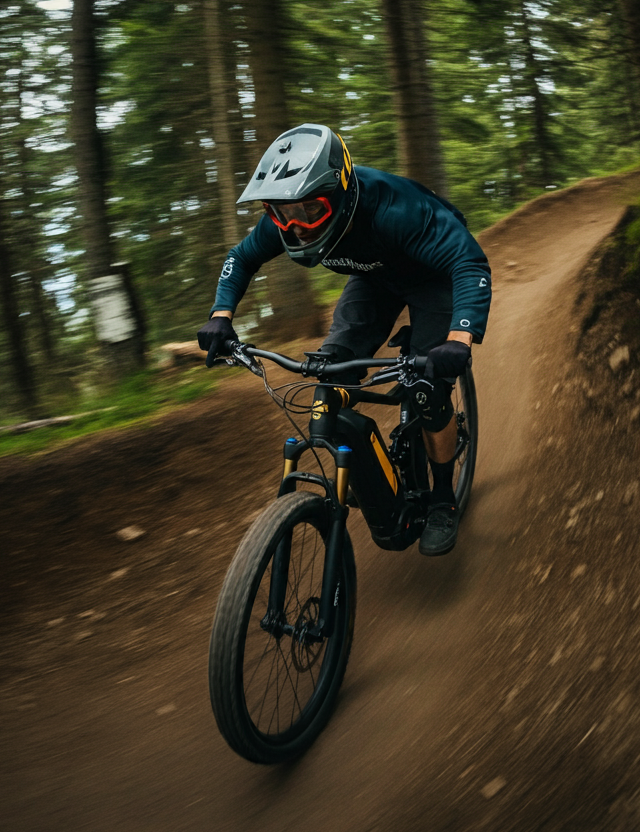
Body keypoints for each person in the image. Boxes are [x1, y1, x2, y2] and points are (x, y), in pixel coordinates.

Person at [197, 123, 491, 556]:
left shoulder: (396, 210)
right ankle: (366, 468)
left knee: (428, 388)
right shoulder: (288, 223)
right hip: (372, 278)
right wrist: (221, 317)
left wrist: (460, 339)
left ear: (341, 189)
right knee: (329, 374)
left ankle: (443, 497)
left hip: (433, 278)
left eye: (310, 211)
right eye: (281, 213)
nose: (295, 227)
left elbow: (469, 264)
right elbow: (241, 257)